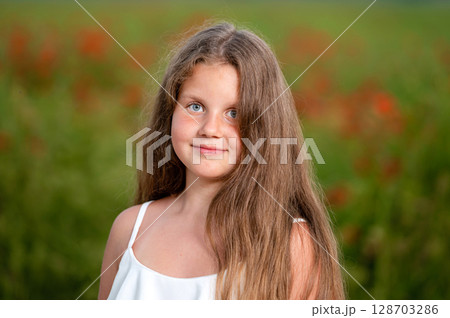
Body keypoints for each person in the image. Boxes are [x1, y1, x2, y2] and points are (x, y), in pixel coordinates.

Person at [98, 21, 345, 300]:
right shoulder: (129, 230)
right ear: (170, 113)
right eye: (195, 106)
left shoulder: (289, 244)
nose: (210, 129)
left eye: (234, 113)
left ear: (265, 126)